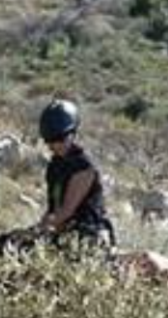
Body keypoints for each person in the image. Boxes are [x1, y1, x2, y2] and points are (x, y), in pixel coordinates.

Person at [34, 98, 115, 247]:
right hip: (64, 232)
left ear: (73, 134)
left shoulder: (83, 167)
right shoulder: (55, 166)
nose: (55, 144)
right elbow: (54, 209)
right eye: (50, 140)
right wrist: (39, 229)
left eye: (60, 138)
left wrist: (37, 230)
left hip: (90, 234)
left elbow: (66, 211)